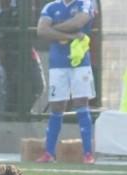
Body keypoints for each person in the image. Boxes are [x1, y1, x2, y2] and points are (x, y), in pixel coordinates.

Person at [35, 0, 96, 164]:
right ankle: (49, 152)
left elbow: (79, 22)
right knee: (56, 106)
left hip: (80, 63)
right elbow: (41, 31)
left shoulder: (84, 3)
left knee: (81, 103)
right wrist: (70, 34)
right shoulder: (50, 6)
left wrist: (53, 28)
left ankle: (88, 153)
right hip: (57, 64)